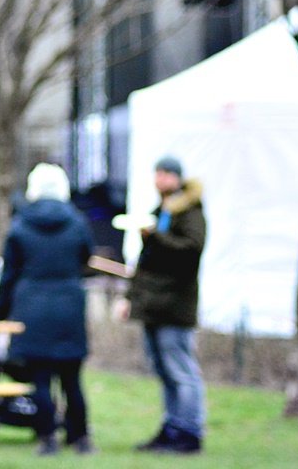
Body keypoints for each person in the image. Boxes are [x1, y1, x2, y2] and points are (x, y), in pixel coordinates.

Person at [0, 163, 96, 455]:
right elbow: (87, 256)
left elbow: (9, 275)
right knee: (72, 378)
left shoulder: (20, 224)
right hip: (69, 306)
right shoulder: (77, 222)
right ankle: (81, 438)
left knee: (40, 378)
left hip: (31, 307)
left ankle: (48, 436)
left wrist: (0, 314)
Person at [122, 155, 206, 454]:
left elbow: (191, 250)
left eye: (164, 174)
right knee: (165, 371)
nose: (159, 180)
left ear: (177, 177)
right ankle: (171, 428)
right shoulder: (161, 211)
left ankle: (189, 432)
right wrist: (131, 298)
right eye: (156, 173)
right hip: (154, 306)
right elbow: (146, 264)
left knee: (181, 371)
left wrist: (156, 236)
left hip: (175, 307)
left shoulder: (190, 211)